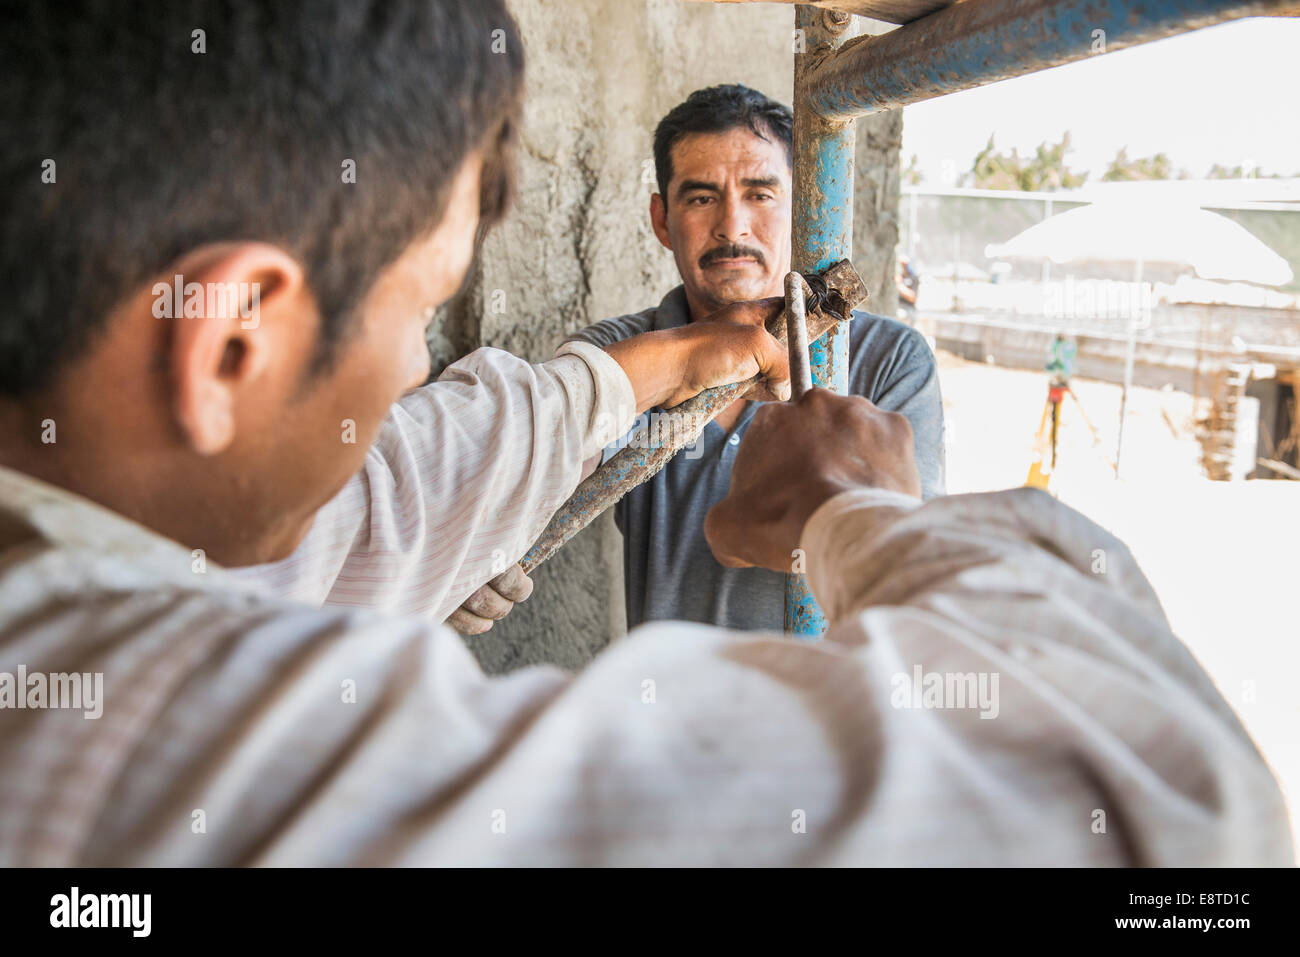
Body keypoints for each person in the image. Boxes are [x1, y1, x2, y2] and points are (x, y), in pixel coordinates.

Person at [0, 1, 1289, 866]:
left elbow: (422, 477)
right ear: (232, 348)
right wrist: (858, 512)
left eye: (763, 193)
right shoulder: (145, 734)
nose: (411, 368)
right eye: (418, 312)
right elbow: (1163, 812)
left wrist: (689, 370)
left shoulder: (864, 354)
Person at [453, 85, 947, 634]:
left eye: (760, 194)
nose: (732, 227)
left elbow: (909, 568)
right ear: (662, 220)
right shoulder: (618, 354)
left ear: (801, 209)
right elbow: (518, 488)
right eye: (701, 197)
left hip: (829, 713)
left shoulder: (887, 361)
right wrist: (478, 553)